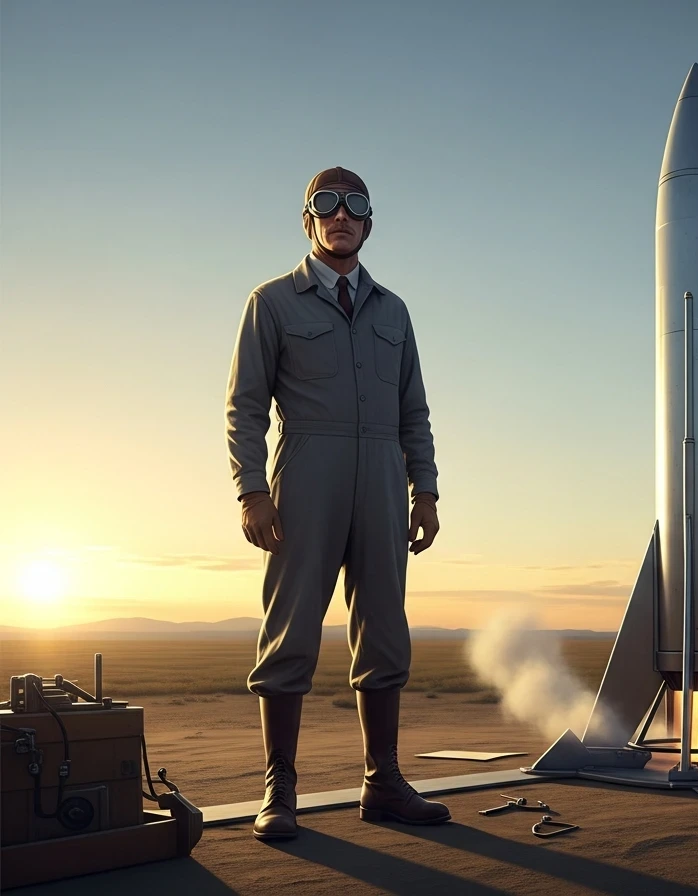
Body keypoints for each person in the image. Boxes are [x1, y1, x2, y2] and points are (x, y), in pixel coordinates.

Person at [225, 166, 450, 840]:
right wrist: (252, 490)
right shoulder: (272, 303)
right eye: (327, 204)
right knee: (290, 629)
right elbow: (244, 408)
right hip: (306, 475)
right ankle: (280, 789)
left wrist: (425, 489)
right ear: (309, 220)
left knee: (384, 628)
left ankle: (384, 781)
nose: (341, 215)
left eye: (354, 205)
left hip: (382, 477)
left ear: (368, 223)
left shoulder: (394, 312)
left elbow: (415, 412)